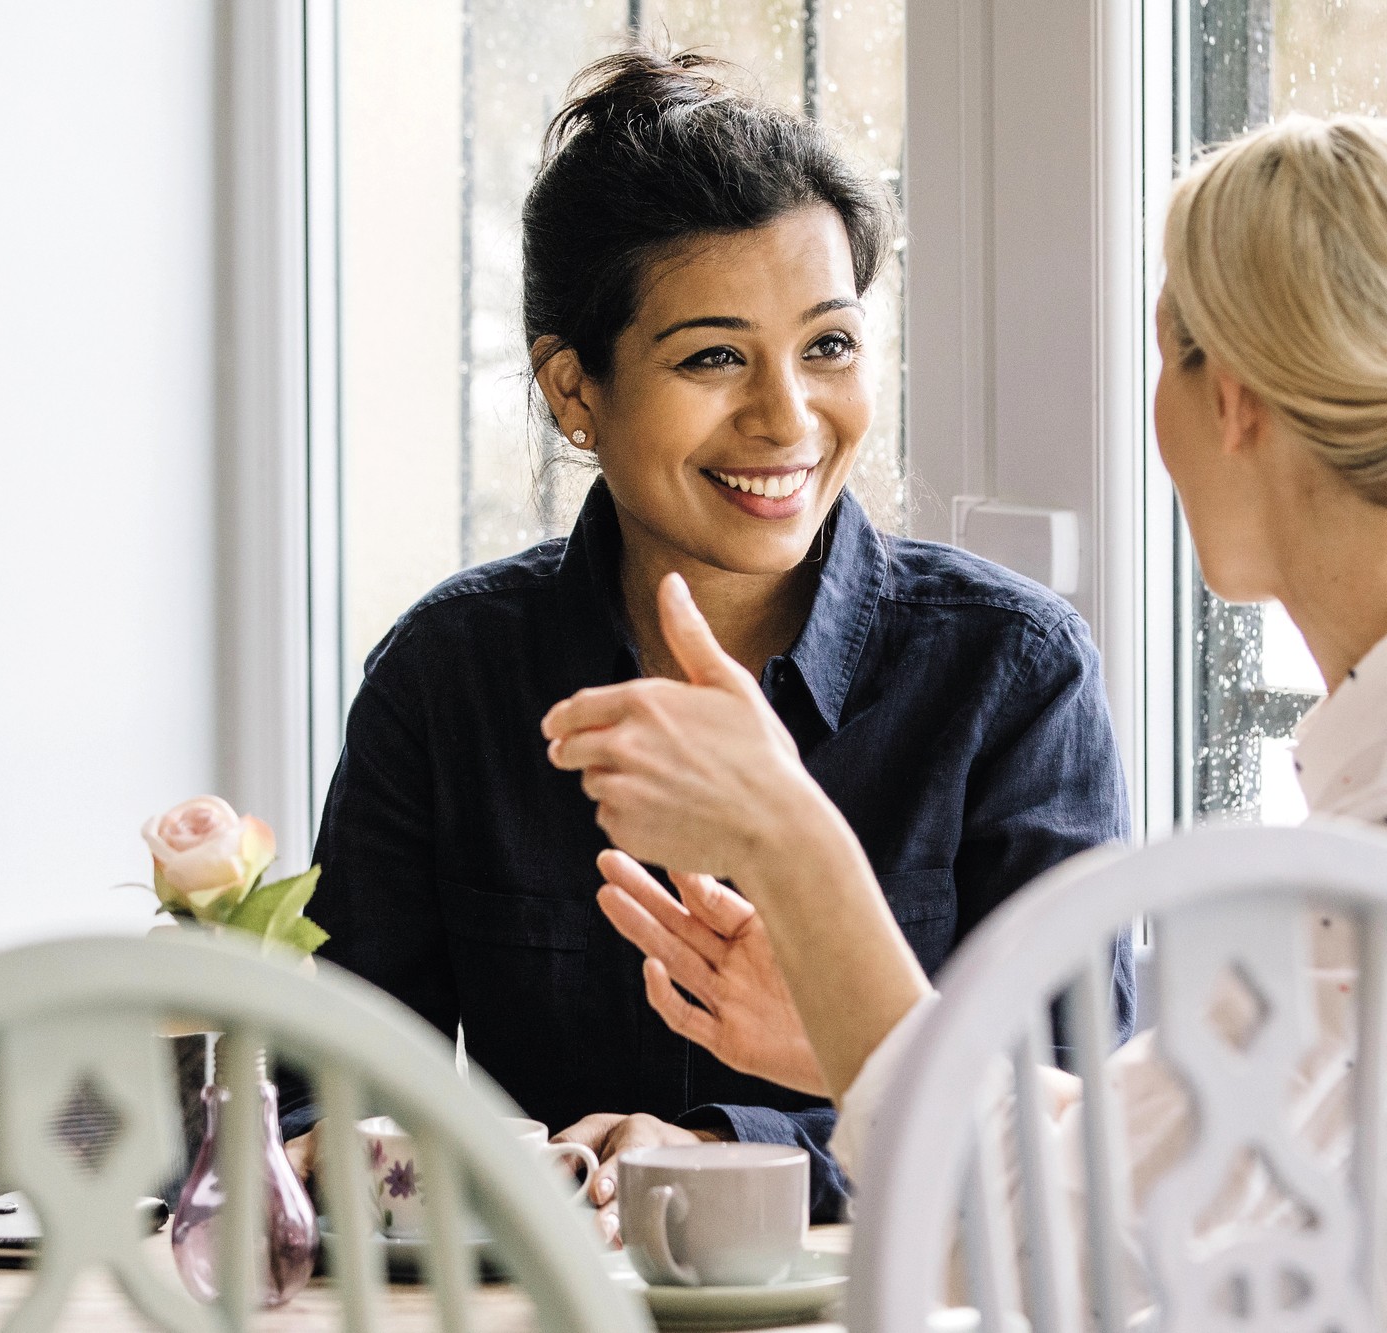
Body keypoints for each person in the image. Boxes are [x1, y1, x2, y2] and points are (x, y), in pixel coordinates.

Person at [545, 114, 1387, 1327]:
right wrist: (839, 1028)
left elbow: (1041, 1250)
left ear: (1228, 398)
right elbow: (1175, 1163)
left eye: (1159, 356)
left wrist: (790, 838)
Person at [281, 47, 1134, 1230]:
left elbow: (1081, 1125)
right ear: (573, 390)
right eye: (713, 357)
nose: (786, 416)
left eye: (827, 346)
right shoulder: (447, 676)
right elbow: (321, 1095)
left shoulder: (1012, 674)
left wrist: (713, 1154)